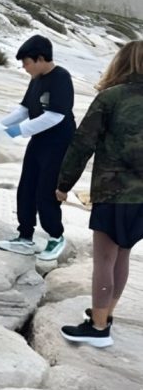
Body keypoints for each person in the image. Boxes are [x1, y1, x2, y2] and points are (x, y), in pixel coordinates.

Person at [56, 40, 143, 348]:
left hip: (113, 191)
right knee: (123, 254)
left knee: (104, 259)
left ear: (120, 64)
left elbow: (82, 144)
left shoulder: (110, 98)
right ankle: (106, 314)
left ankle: (98, 327)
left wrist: (63, 184)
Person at [0, 35, 75, 261]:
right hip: (39, 141)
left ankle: (56, 236)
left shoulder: (61, 78)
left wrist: (18, 131)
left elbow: (55, 116)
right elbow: (23, 109)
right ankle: (25, 236)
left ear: (40, 59)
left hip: (58, 142)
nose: (24, 67)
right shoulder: (36, 78)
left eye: (26, 62)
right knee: (26, 186)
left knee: (46, 191)